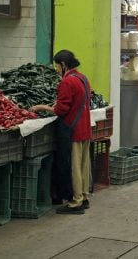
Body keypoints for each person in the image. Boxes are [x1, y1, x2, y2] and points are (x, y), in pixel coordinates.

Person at [31, 50, 92, 214]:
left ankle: (76, 201)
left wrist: (41, 107)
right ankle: (84, 196)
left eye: (57, 66)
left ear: (63, 65)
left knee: (74, 167)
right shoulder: (83, 78)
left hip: (73, 129)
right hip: (85, 127)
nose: (56, 69)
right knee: (84, 165)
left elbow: (61, 110)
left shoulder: (67, 82)